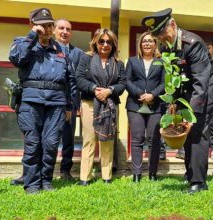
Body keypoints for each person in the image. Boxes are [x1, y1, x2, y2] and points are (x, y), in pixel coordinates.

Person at [142, 8, 213, 194]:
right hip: (187, 90)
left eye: (163, 33)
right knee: (186, 132)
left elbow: (201, 81)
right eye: (157, 35)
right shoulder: (167, 46)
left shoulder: (192, 44)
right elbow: (174, 76)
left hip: (206, 91)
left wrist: (191, 114)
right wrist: (174, 101)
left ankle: (199, 182)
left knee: (197, 133)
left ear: (173, 25)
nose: (161, 38)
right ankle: (190, 174)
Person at [9, 8, 76, 194]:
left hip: (56, 103)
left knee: (51, 143)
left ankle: (46, 180)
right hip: (31, 101)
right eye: (42, 25)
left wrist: (69, 105)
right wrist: (33, 36)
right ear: (33, 25)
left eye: (49, 25)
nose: (47, 28)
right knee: (33, 143)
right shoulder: (23, 43)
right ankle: (31, 184)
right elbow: (17, 59)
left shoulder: (61, 50)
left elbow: (69, 80)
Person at [75, 28, 126, 185]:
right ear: (95, 43)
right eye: (101, 41)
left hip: (110, 105)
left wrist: (109, 90)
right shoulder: (86, 59)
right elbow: (79, 79)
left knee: (107, 140)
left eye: (109, 42)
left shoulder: (119, 63)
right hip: (90, 103)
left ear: (113, 45)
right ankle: (85, 177)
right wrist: (94, 89)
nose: (105, 45)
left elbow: (122, 83)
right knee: (89, 139)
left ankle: (106, 176)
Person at [125, 32, 165, 182]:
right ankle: (137, 174)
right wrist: (141, 94)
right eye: (144, 41)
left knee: (154, 139)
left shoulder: (161, 63)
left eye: (150, 41)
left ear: (155, 44)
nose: (147, 44)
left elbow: (164, 83)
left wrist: (152, 95)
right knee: (137, 139)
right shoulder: (132, 61)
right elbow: (127, 81)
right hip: (135, 104)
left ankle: (153, 173)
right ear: (140, 44)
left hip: (155, 105)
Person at [53, 19, 84, 181]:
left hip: (70, 102)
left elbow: (79, 80)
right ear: (54, 30)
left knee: (68, 138)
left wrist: (76, 104)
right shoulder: (48, 49)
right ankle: (47, 169)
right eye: (61, 28)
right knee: (49, 137)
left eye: (68, 29)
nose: (65, 32)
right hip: (51, 101)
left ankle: (66, 170)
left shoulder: (78, 53)